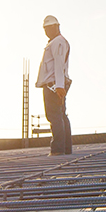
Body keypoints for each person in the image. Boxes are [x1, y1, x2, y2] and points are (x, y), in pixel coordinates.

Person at [35, 15, 72, 155]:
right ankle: (66, 149)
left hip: (54, 85)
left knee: (54, 116)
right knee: (61, 115)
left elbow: (58, 64)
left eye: (48, 28)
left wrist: (59, 86)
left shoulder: (58, 42)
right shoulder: (56, 42)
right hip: (56, 84)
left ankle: (57, 149)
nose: (46, 32)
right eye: (45, 29)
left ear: (56, 27)